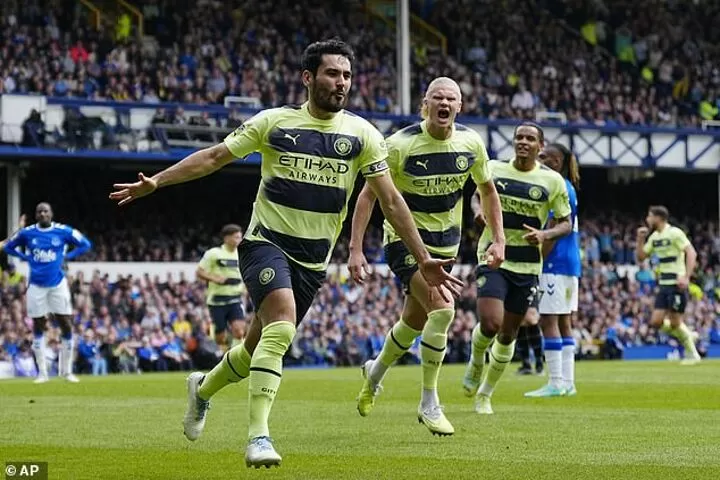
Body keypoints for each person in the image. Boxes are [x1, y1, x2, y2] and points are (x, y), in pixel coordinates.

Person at [109, 39, 463, 468]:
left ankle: (202, 389)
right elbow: (215, 156)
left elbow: (390, 201)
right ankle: (258, 436)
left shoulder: (363, 135)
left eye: (347, 75)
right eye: (333, 73)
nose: (342, 82)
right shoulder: (274, 123)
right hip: (265, 243)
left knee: (251, 349)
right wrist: (157, 182)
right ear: (308, 77)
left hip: (314, 261)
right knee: (281, 326)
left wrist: (422, 256)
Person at [347, 77, 504, 436]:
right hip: (404, 243)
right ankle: (429, 402)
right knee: (445, 309)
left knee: (413, 324)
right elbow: (368, 196)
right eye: (438, 97)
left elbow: (488, 191)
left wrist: (499, 239)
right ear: (426, 103)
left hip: (446, 247)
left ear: (460, 106)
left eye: (452, 98)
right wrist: (355, 248)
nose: (445, 103)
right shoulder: (400, 145)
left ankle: (374, 373)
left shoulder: (471, 143)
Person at [461, 123, 572, 415]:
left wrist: (545, 235)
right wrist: (477, 211)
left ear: (540, 145)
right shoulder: (494, 169)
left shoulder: (552, 181)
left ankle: (485, 394)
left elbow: (565, 222)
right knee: (490, 323)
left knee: (508, 335)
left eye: (530, 138)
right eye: (519, 137)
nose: (523, 142)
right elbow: (476, 195)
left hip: (527, 265)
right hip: (494, 256)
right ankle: (475, 363)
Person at [2, 203, 92, 383]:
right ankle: (42, 373)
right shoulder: (27, 233)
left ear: (51, 214)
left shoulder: (63, 231)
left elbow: (85, 244)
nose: (43, 214)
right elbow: (7, 247)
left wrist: (68, 257)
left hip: (58, 284)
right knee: (38, 325)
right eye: (39, 211)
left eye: (46, 211)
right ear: (36, 215)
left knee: (65, 324)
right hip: (36, 285)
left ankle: (66, 372)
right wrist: (24, 257)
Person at [525, 143, 582, 397]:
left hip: (554, 263)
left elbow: (553, 232)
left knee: (548, 320)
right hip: (571, 263)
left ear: (557, 162)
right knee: (564, 321)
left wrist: (537, 261)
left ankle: (556, 382)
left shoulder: (556, 188)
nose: (539, 159)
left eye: (544, 157)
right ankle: (568, 383)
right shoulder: (569, 188)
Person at [635, 206, 700, 365]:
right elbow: (641, 257)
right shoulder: (655, 237)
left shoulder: (675, 233)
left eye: (650, 217)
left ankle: (692, 354)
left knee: (675, 322)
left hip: (676, 283)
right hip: (663, 284)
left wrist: (686, 277)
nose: (648, 220)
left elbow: (691, 253)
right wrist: (640, 239)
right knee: (656, 322)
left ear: (659, 218)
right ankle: (688, 335)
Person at [196, 224, 247, 350]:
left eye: (240, 237)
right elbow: (199, 272)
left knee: (239, 331)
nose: (239, 240)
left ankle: (235, 357)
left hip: (235, 298)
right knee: (221, 336)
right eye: (236, 237)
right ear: (226, 238)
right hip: (217, 300)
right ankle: (223, 353)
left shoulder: (242, 254)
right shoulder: (214, 253)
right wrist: (215, 278)